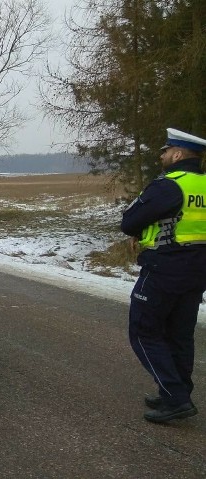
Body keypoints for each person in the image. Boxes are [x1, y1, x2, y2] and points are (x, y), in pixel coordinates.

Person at [120, 127, 206, 423]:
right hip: (197, 272)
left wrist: (140, 231)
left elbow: (130, 221)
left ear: (178, 154)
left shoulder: (169, 185)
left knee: (143, 332)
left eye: (166, 151)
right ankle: (175, 393)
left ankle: (176, 397)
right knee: (179, 336)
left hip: (164, 269)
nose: (162, 155)